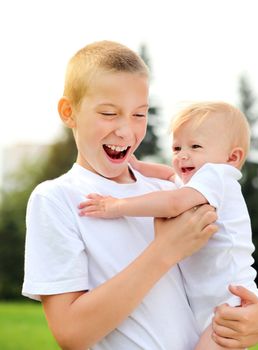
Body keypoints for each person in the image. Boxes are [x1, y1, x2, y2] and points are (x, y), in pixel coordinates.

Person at [22, 40, 218, 350]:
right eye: (110, 113)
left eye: (139, 115)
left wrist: (255, 319)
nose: (126, 132)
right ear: (68, 112)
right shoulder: (56, 199)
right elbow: (71, 333)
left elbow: (219, 275)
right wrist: (164, 250)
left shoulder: (169, 192)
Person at [78, 101, 258, 349]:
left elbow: (174, 203)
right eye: (177, 147)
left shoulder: (218, 176)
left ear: (232, 158)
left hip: (229, 303)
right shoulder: (198, 180)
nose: (183, 155)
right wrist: (140, 167)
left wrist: (117, 205)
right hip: (211, 303)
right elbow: (169, 175)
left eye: (195, 146)